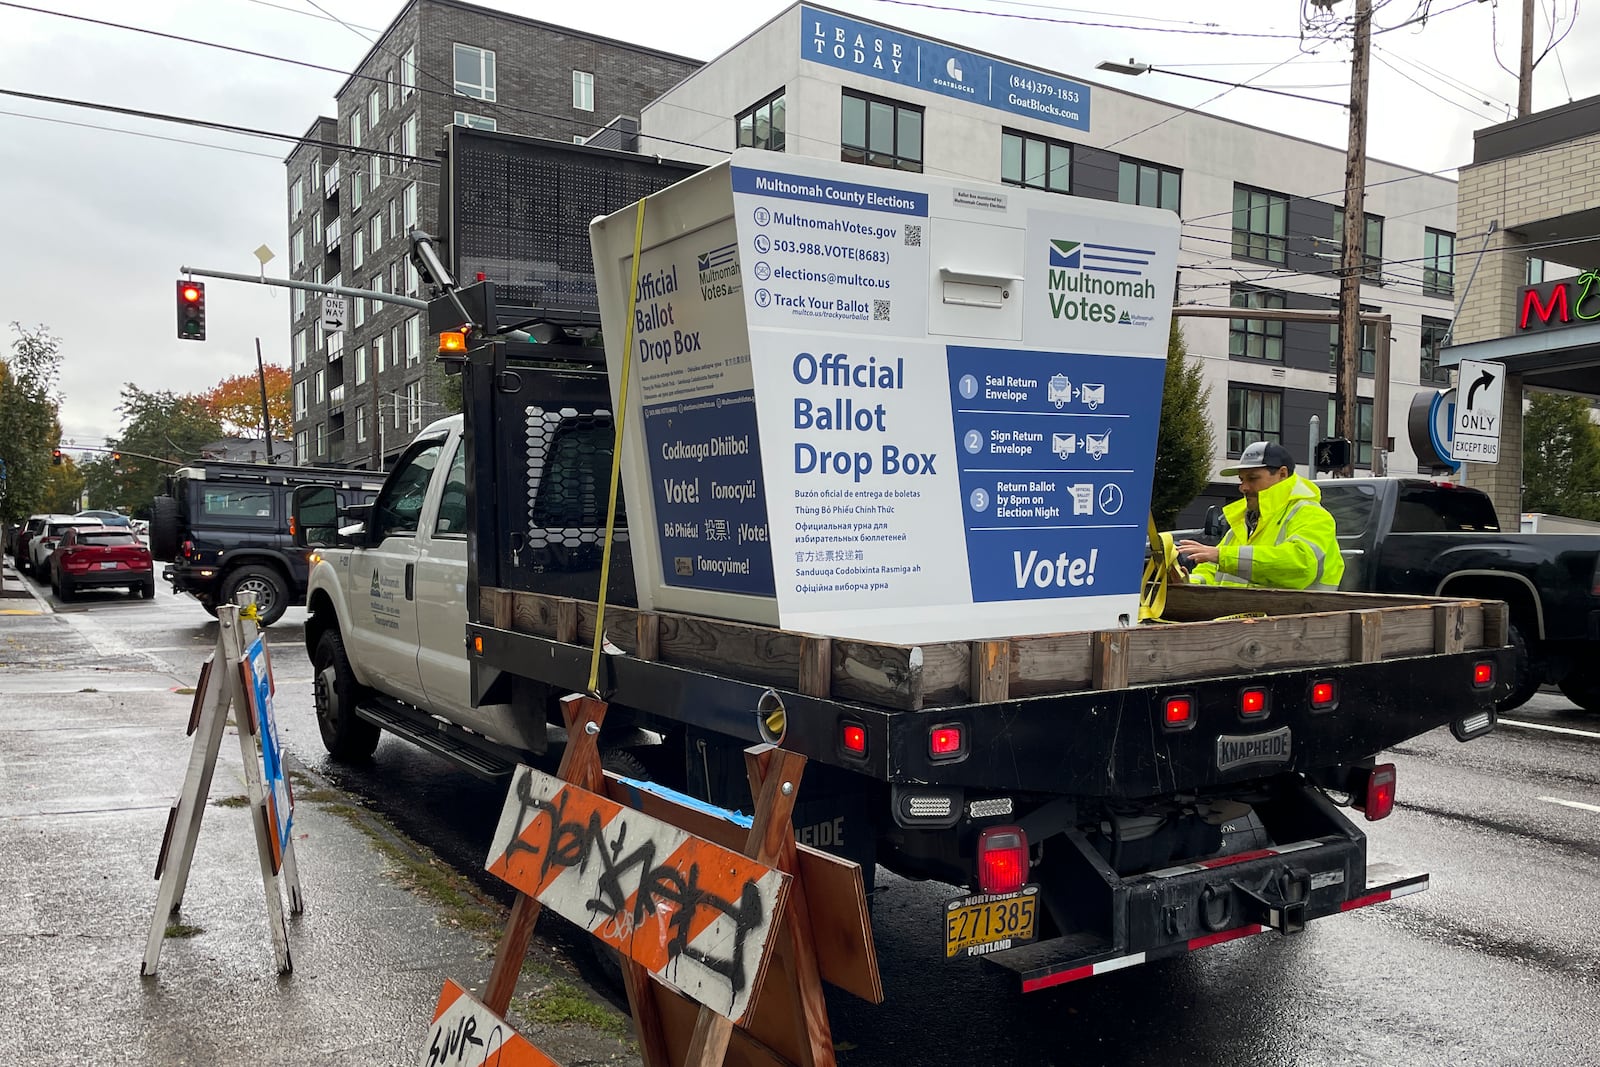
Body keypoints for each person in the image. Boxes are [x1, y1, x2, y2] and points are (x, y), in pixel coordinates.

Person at [1174, 441, 1344, 591]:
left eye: (1252, 478)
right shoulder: (1244, 523)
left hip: (1296, 623)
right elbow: (1212, 571)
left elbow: (1300, 565)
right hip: (1249, 623)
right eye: (1242, 480)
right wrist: (1188, 582)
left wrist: (1221, 555)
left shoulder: (1312, 515)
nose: (1243, 487)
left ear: (1282, 474)